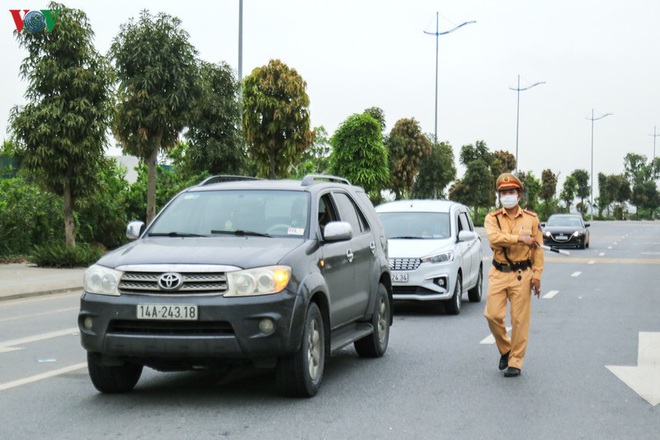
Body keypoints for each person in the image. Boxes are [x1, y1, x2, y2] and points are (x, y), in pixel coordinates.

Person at [484, 173, 544, 378]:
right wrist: (520, 239)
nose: (507, 195)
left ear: (519, 195)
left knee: (519, 321)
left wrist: (537, 275)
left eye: (511, 192)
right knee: (492, 315)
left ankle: (515, 361)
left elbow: (537, 250)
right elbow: (495, 238)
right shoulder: (492, 219)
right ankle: (505, 349)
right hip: (498, 273)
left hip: (522, 274)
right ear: (499, 196)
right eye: (503, 192)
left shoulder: (532, 219)